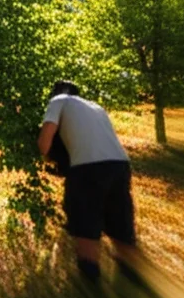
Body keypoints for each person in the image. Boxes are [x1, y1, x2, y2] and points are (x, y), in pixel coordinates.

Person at [38, 80, 139, 285]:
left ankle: (90, 282)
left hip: (88, 168)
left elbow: (44, 141)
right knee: (120, 221)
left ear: (55, 92)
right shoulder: (96, 107)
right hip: (120, 165)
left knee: (84, 221)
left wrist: (46, 159)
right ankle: (132, 279)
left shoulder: (58, 100)